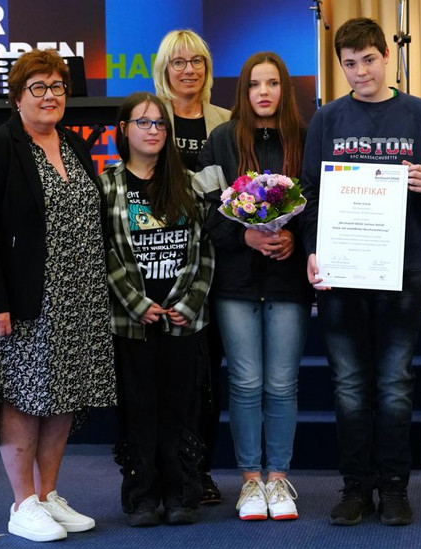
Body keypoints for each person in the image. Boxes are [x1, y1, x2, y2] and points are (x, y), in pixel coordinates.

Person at [0, 48, 115, 542]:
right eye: (39, 88)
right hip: (20, 299)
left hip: (77, 294)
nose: (50, 97)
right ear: (18, 95)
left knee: (62, 394)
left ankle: (47, 496)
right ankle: (22, 504)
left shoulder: (71, 143)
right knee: (22, 399)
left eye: (58, 87)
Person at [300, 17, 421, 526]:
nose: (360, 71)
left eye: (368, 59)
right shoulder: (327, 119)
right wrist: (310, 251)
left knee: (393, 383)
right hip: (341, 271)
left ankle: (394, 486)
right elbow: (310, 195)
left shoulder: (420, 113)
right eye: (349, 63)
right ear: (340, 66)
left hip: (403, 269)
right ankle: (355, 487)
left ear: (387, 56)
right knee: (347, 384)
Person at [198, 52, 312, 521]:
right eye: (254, 84)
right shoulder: (220, 140)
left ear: (285, 89)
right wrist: (242, 234)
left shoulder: (307, 139)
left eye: (272, 83)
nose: (263, 92)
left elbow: (323, 206)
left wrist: (294, 237)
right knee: (245, 383)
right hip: (236, 284)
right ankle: (250, 482)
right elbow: (204, 215)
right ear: (242, 91)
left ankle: (279, 479)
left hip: (288, 284)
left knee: (283, 384)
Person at [101, 92, 215, 526]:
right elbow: (105, 252)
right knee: (140, 408)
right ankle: (142, 496)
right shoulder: (109, 185)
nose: (153, 131)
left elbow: (205, 252)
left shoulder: (189, 183)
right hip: (132, 322)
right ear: (124, 130)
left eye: (160, 124)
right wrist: (136, 303)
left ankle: (181, 492)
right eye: (143, 123)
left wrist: (189, 302)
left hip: (183, 319)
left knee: (181, 408)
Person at [153, 28, 231, 504]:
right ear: (164, 70)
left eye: (196, 61)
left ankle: (199, 470)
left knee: (208, 374)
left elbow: (241, 193)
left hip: (216, 266)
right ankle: (160, 469)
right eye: (178, 62)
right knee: (163, 376)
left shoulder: (226, 119)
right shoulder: (149, 116)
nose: (188, 70)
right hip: (158, 268)